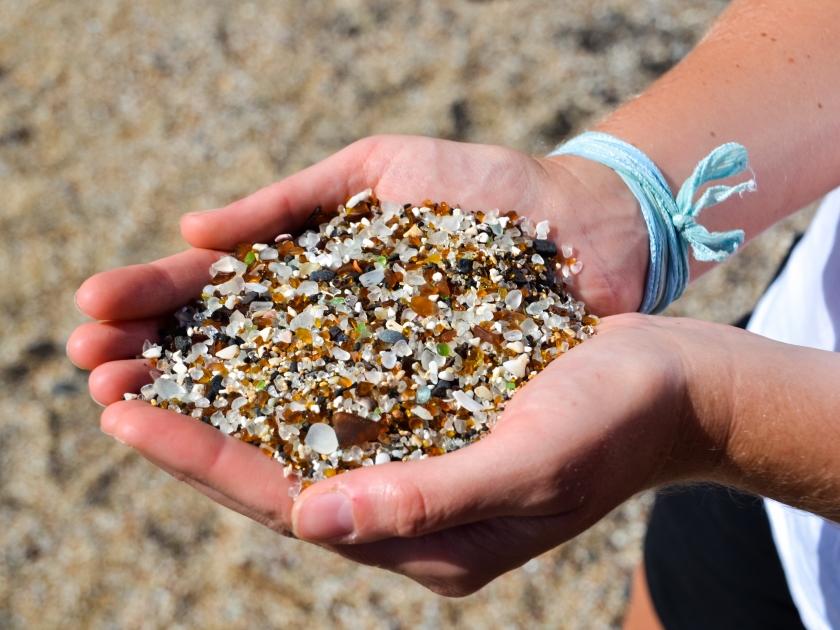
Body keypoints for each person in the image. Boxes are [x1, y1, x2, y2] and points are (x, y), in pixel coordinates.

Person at [67, 0, 840, 626]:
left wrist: (717, 413)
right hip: (788, 393)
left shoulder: (711, 399)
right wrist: (622, 198)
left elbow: (713, 404)